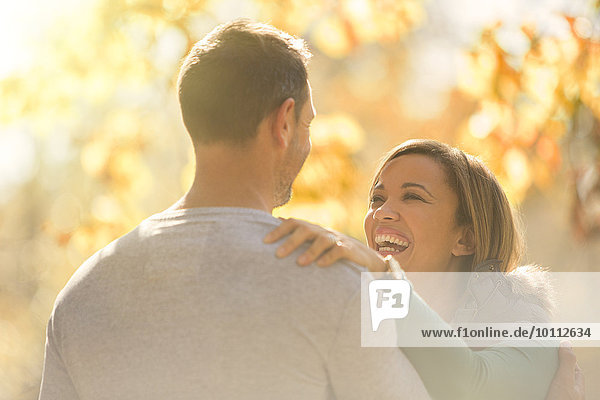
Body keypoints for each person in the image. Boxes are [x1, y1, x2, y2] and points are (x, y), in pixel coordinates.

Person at [38, 20, 433, 399]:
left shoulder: (80, 296)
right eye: (307, 125)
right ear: (283, 123)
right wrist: (387, 279)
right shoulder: (336, 285)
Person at [265, 139, 586, 399]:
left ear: (466, 238)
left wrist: (381, 271)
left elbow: (466, 385)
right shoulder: (358, 322)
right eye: (377, 198)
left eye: (413, 197)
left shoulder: (530, 335)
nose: (382, 213)